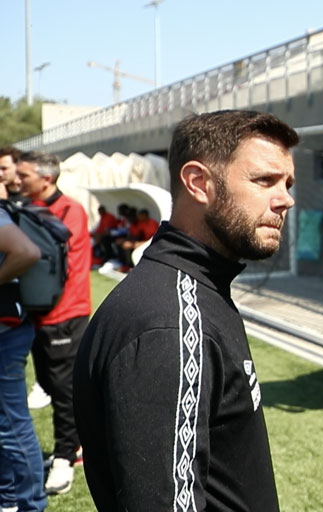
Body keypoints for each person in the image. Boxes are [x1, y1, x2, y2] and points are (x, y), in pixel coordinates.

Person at [74, 110, 298, 511]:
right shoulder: (167, 324)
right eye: (264, 180)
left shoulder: (199, 289)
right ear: (198, 182)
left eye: (287, 183)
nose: (285, 199)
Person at [16, 150, 92, 496]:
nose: (18, 181)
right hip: (37, 313)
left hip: (65, 314)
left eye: (24, 175)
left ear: (46, 178)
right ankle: (75, 445)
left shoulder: (69, 210)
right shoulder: (28, 208)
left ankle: (65, 457)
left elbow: (58, 265)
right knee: (47, 382)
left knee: (64, 390)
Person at [0, 204, 46, 512]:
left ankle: (30, 504)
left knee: (12, 426)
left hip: (5, 334)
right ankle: (9, 499)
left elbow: (27, 252)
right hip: (8, 330)